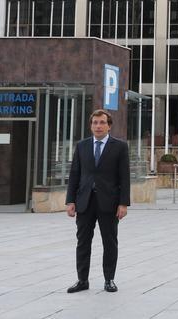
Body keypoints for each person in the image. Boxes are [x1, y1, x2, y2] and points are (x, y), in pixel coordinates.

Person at [65, 109, 130, 294]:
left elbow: (124, 177)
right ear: (91, 125)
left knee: (109, 242)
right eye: (95, 123)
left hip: (109, 202)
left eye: (102, 122)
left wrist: (123, 203)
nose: (98, 126)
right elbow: (75, 174)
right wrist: (70, 200)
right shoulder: (82, 146)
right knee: (83, 242)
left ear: (109, 126)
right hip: (84, 201)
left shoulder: (120, 147)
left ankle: (109, 279)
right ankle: (82, 280)